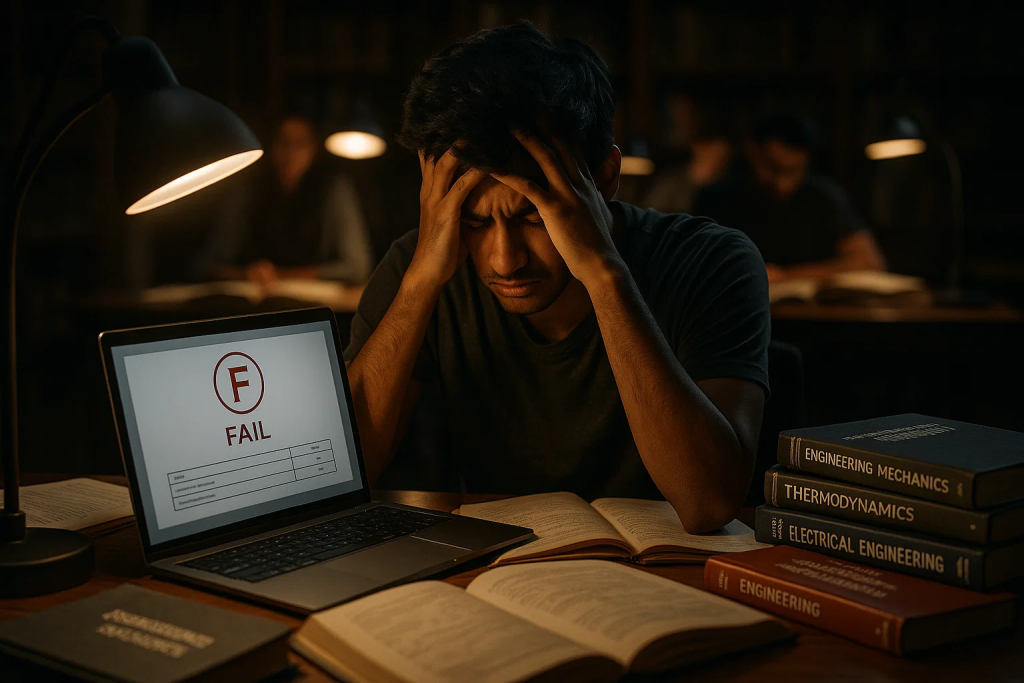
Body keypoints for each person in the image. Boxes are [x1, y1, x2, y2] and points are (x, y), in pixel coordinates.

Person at [345, 24, 770, 533]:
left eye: (533, 216)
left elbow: (709, 502)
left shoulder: (711, 260)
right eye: (475, 222)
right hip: (495, 570)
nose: (505, 261)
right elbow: (345, 472)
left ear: (605, 177)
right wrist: (418, 285)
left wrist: (604, 274)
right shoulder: (422, 263)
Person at [693, 112, 885, 284]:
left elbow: (869, 262)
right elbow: (696, 267)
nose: (783, 184)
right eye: (774, 168)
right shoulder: (717, 198)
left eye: (794, 171)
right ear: (753, 152)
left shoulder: (823, 196)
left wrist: (787, 275)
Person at [194, 115, 374, 286]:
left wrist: (280, 276)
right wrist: (246, 274)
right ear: (270, 146)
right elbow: (205, 265)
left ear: (314, 150)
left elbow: (356, 267)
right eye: (283, 143)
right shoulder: (249, 188)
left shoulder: (333, 188)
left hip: (316, 305)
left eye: (300, 144)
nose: (291, 153)